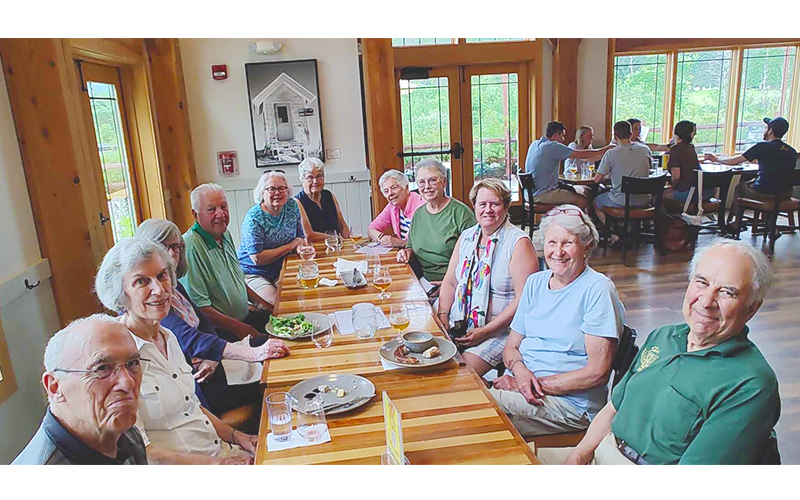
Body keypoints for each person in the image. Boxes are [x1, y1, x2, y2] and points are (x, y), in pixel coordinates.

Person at [548, 240, 780, 465]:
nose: (707, 301)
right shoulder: (664, 336)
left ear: (752, 307)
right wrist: (577, 457)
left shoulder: (751, 385)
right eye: (701, 282)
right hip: (601, 449)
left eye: (727, 292)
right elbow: (613, 408)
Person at [96, 238, 283, 464]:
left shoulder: (168, 337)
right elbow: (143, 453)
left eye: (162, 276)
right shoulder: (116, 360)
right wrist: (219, 465)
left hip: (221, 452)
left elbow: (192, 407)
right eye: (142, 281)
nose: (159, 289)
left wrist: (237, 436)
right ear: (121, 293)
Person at [490, 206, 625, 437]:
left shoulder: (598, 290)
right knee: (469, 395)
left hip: (570, 405)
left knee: (480, 407)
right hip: (525, 386)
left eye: (568, 243)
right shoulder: (535, 283)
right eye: (552, 243)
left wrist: (529, 385)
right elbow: (511, 347)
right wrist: (521, 373)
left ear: (586, 247)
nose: (558, 252)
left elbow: (597, 373)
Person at [135, 218, 289, 416]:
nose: (171, 253)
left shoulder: (174, 285)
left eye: (176, 247)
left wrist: (214, 357)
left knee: (274, 342)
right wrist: (251, 353)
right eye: (163, 247)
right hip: (199, 377)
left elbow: (204, 323)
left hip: (211, 359)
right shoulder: (152, 300)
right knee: (273, 376)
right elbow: (186, 339)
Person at [12, 315, 148, 465]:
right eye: (102, 368)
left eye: (132, 363)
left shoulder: (126, 434)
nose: (127, 383)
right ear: (55, 387)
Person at [438, 179, 539, 376]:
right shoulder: (466, 237)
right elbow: (450, 281)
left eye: (495, 204)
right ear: (474, 206)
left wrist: (485, 331)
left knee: (458, 375)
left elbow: (523, 301)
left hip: (500, 332)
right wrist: (443, 317)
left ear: (507, 206)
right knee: (427, 360)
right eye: (482, 204)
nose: (488, 210)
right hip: (457, 324)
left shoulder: (518, 243)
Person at [181, 183, 272, 337]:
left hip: (244, 319)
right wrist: (243, 329)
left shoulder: (224, 233)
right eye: (211, 209)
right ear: (195, 214)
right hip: (221, 332)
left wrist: (262, 304)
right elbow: (201, 309)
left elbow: (236, 279)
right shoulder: (190, 247)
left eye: (223, 207)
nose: (221, 214)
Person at [705, 117, 797, 230]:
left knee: (739, 187)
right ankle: (769, 225)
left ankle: (736, 223)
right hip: (785, 193)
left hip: (765, 192)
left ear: (770, 131)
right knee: (766, 183)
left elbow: (735, 161)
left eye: (765, 128)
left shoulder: (762, 147)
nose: (764, 130)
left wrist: (716, 160)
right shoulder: (791, 151)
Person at [239, 171, 313, 306]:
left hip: (283, 267)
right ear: (262, 193)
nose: (277, 193)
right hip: (255, 273)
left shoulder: (292, 206)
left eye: (281, 188)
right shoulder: (254, 218)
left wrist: (300, 248)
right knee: (278, 303)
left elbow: (299, 238)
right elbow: (257, 258)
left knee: (305, 295)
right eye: (272, 189)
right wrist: (291, 246)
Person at [397, 158, 476, 285]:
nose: (427, 186)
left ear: (444, 182)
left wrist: (450, 286)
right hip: (422, 281)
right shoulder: (418, 214)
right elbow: (411, 246)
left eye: (433, 180)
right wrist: (405, 253)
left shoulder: (461, 213)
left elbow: (474, 257)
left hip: (455, 283)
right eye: (421, 182)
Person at [524, 121, 613, 209]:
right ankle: (568, 221)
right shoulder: (552, 146)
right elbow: (582, 155)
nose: (563, 139)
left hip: (529, 193)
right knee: (583, 201)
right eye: (562, 136)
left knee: (574, 191)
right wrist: (607, 149)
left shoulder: (535, 144)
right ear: (555, 135)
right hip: (542, 194)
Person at [592, 120, 653, 224]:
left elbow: (597, 179)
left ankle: (612, 233)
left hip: (621, 201)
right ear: (631, 134)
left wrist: (608, 176)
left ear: (615, 136)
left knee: (596, 202)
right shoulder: (645, 149)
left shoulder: (611, 153)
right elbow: (649, 168)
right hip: (644, 199)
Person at [294, 157, 351, 240]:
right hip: (313, 249)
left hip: (335, 245)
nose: (315, 181)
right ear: (302, 179)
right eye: (310, 177)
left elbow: (342, 226)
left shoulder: (329, 195)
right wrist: (333, 238)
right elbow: (308, 235)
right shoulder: (297, 202)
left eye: (319, 176)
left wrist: (348, 243)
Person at [368, 169, 426, 247]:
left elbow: (427, 243)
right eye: (386, 191)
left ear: (406, 187)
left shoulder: (422, 206)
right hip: (405, 255)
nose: (390, 193)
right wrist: (382, 238)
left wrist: (401, 243)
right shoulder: (392, 207)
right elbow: (371, 229)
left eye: (394, 188)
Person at [663, 120, 714, 204]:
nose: (695, 134)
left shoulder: (675, 149)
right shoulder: (691, 147)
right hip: (703, 191)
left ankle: (672, 216)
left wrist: (671, 189)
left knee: (658, 197)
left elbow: (676, 177)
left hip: (689, 192)